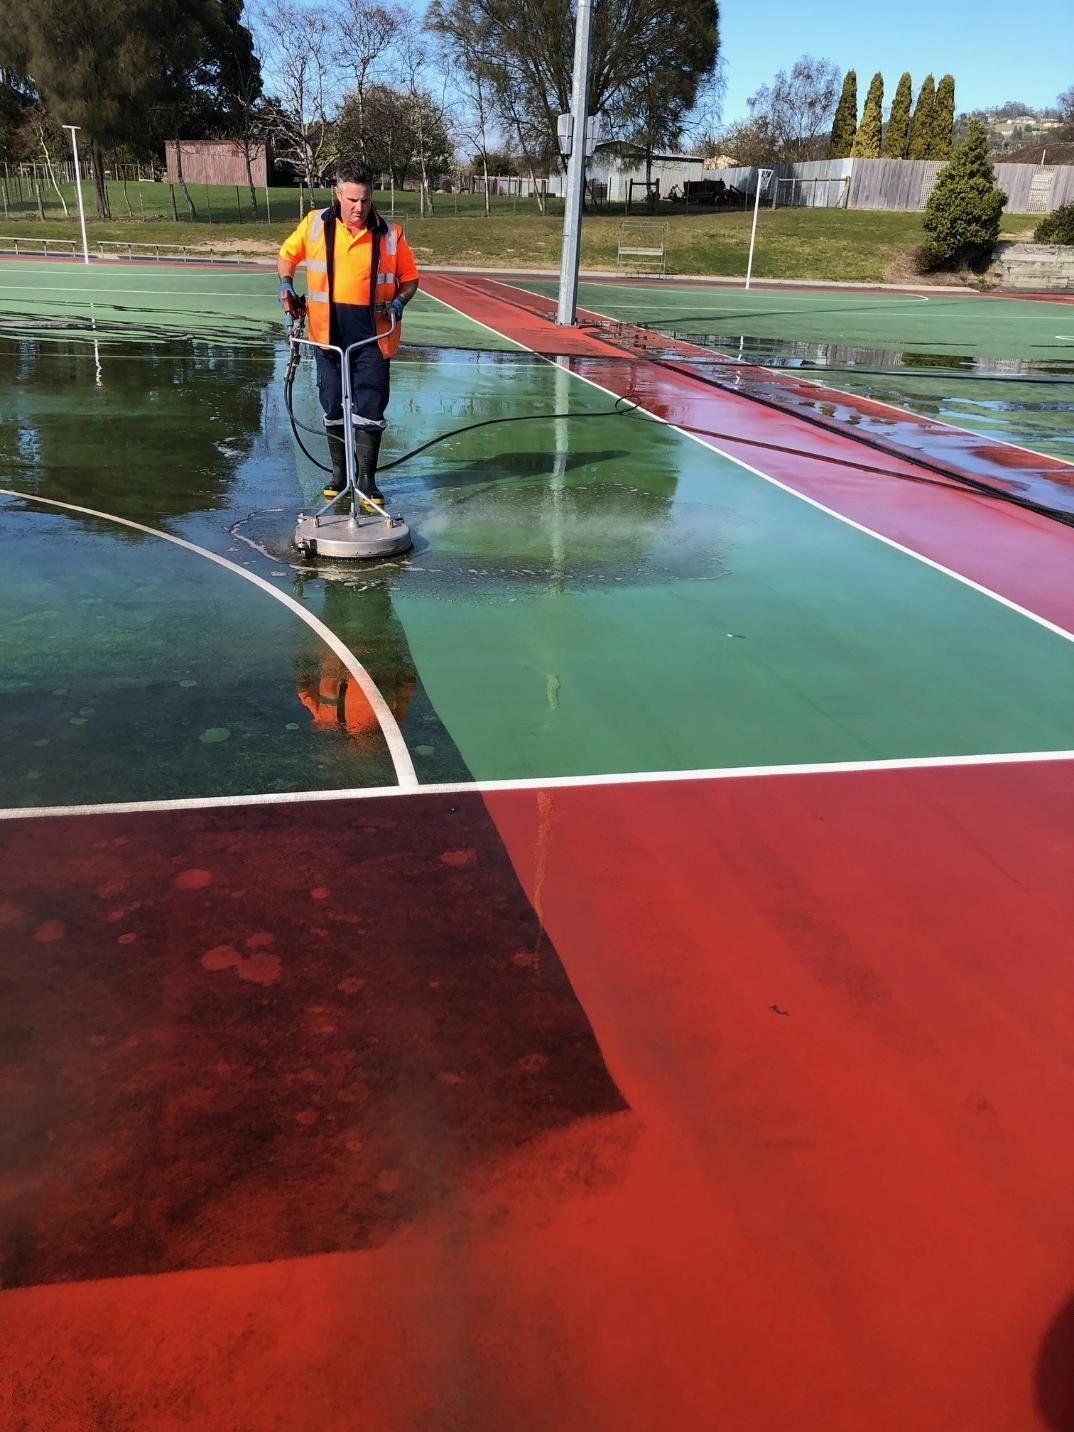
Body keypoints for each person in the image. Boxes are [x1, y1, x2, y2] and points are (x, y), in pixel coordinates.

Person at [277, 162, 420, 502]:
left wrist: (399, 302)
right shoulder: (314, 225)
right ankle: (340, 475)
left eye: (366, 200)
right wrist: (285, 285)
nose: (359, 208)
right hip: (327, 332)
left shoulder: (389, 234)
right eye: (352, 199)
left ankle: (367, 481)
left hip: (373, 335)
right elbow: (286, 256)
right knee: (333, 406)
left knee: (370, 407)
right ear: (338, 194)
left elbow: (410, 280)